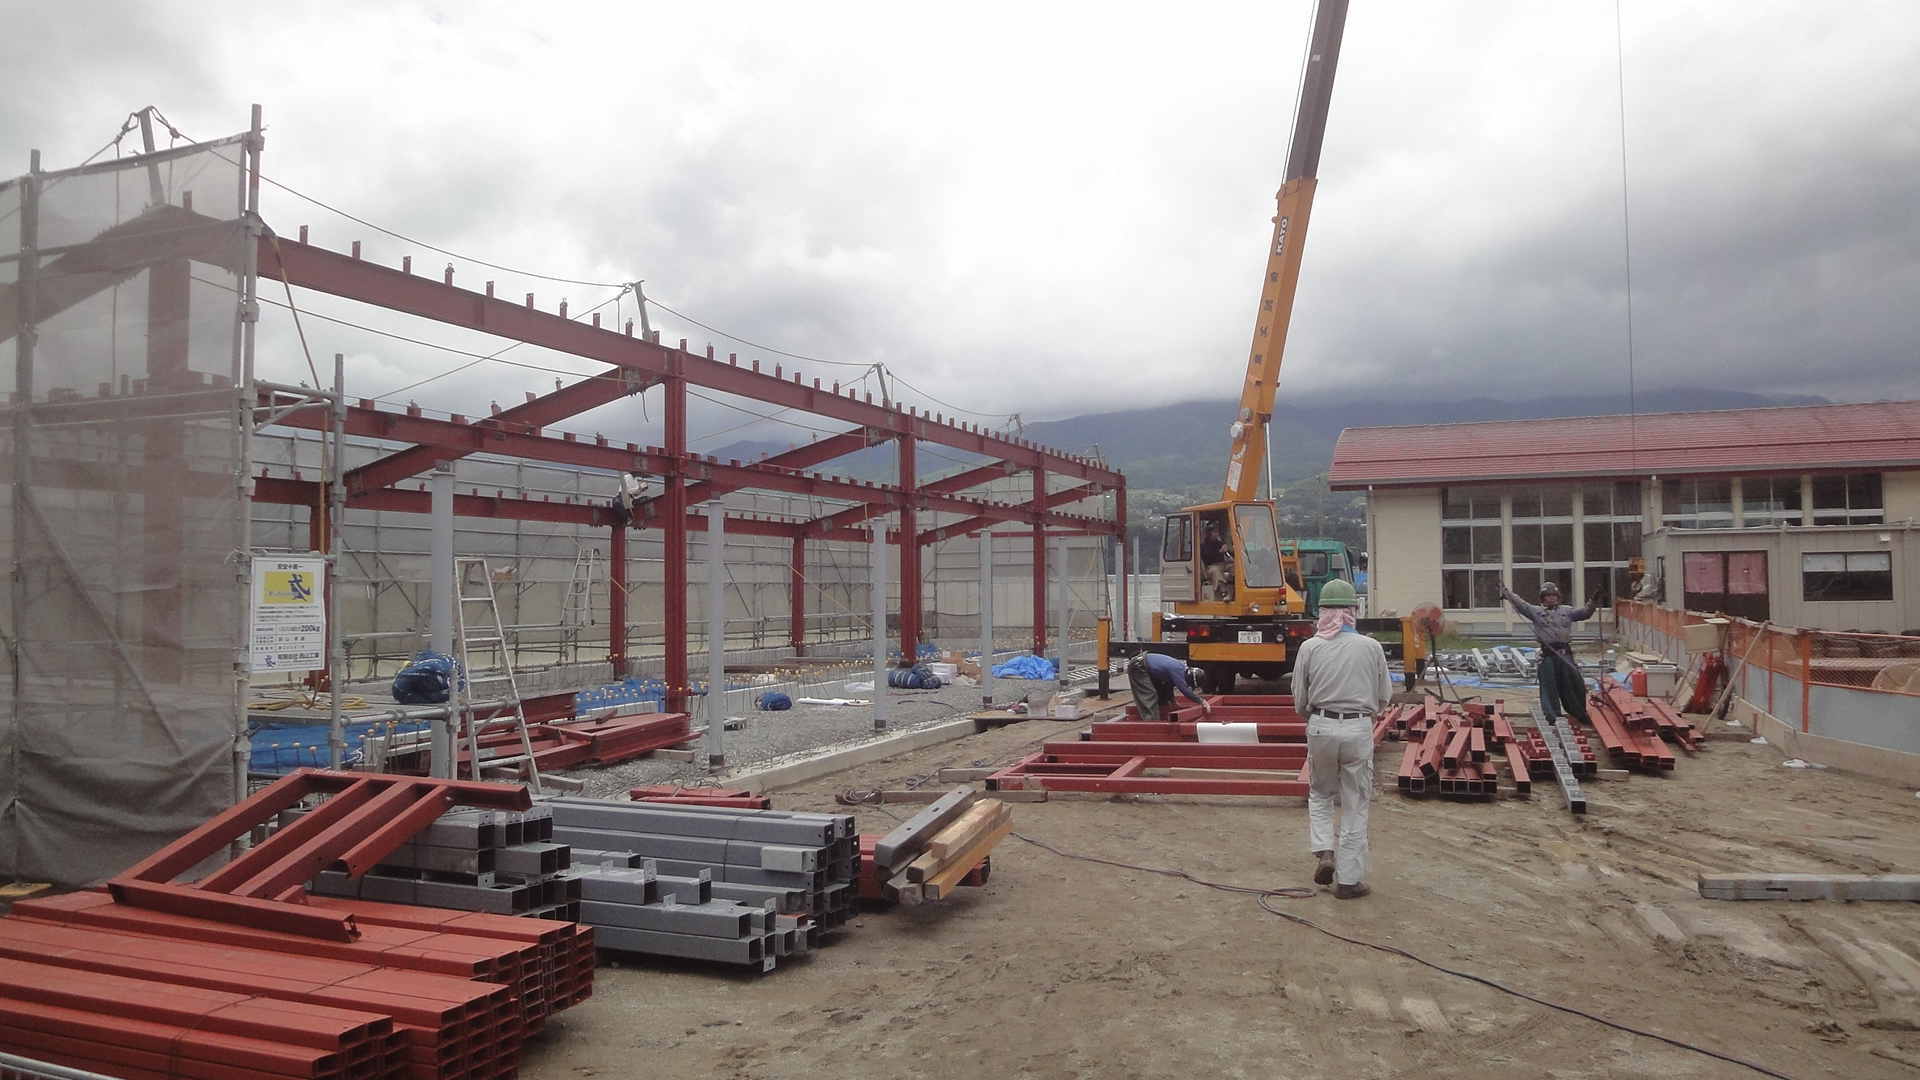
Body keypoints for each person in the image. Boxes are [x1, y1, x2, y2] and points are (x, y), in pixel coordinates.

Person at [1291, 578, 1390, 899]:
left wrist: (1314, 717)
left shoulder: (1310, 647)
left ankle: (1324, 850)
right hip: (1358, 728)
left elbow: (1299, 697)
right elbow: (1384, 696)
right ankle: (1348, 881)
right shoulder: (1371, 648)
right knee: (1354, 803)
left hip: (1321, 724)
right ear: (1353, 610)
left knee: (1320, 793)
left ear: (1321, 612)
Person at [1499, 580, 1596, 726]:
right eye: (1548, 596)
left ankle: (1579, 713)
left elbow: (1585, 613)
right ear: (1543, 598)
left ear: (1558, 597)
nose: (1551, 598)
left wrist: (1594, 600)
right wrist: (1507, 593)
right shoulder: (1536, 612)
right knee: (1549, 686)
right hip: (1548, 655)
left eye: (1554, 595)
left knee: (1576, 683)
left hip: (1565, 655)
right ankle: (1553, 717)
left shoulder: (1567, 611)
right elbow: (1521, 604)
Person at [1127, 652, 1214, 723]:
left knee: (1162, 694)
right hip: (1139, 667)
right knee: (1150, 695)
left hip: (1145, 667)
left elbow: (1168, 686)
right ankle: (1152, 724)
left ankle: (1159, 714)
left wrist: (1173, 702)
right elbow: (1184, 689)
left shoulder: (1179, 670)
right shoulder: (1178, 670)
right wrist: (1202, 701)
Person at [1199, 521, 1232, 598]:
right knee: (1215, 571)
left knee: (1234, 567)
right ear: (1209, 533)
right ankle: (1223, 591)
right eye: (1214, 532)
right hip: (1210, 567)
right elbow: (1207, 556)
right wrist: (1220, 552)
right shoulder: (1204, 545)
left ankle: (1237, 588)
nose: (1216, 534)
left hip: (1223, 565)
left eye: (1217, 532)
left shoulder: (1219, 542)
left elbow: (1229, 553)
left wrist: (1228, 549)